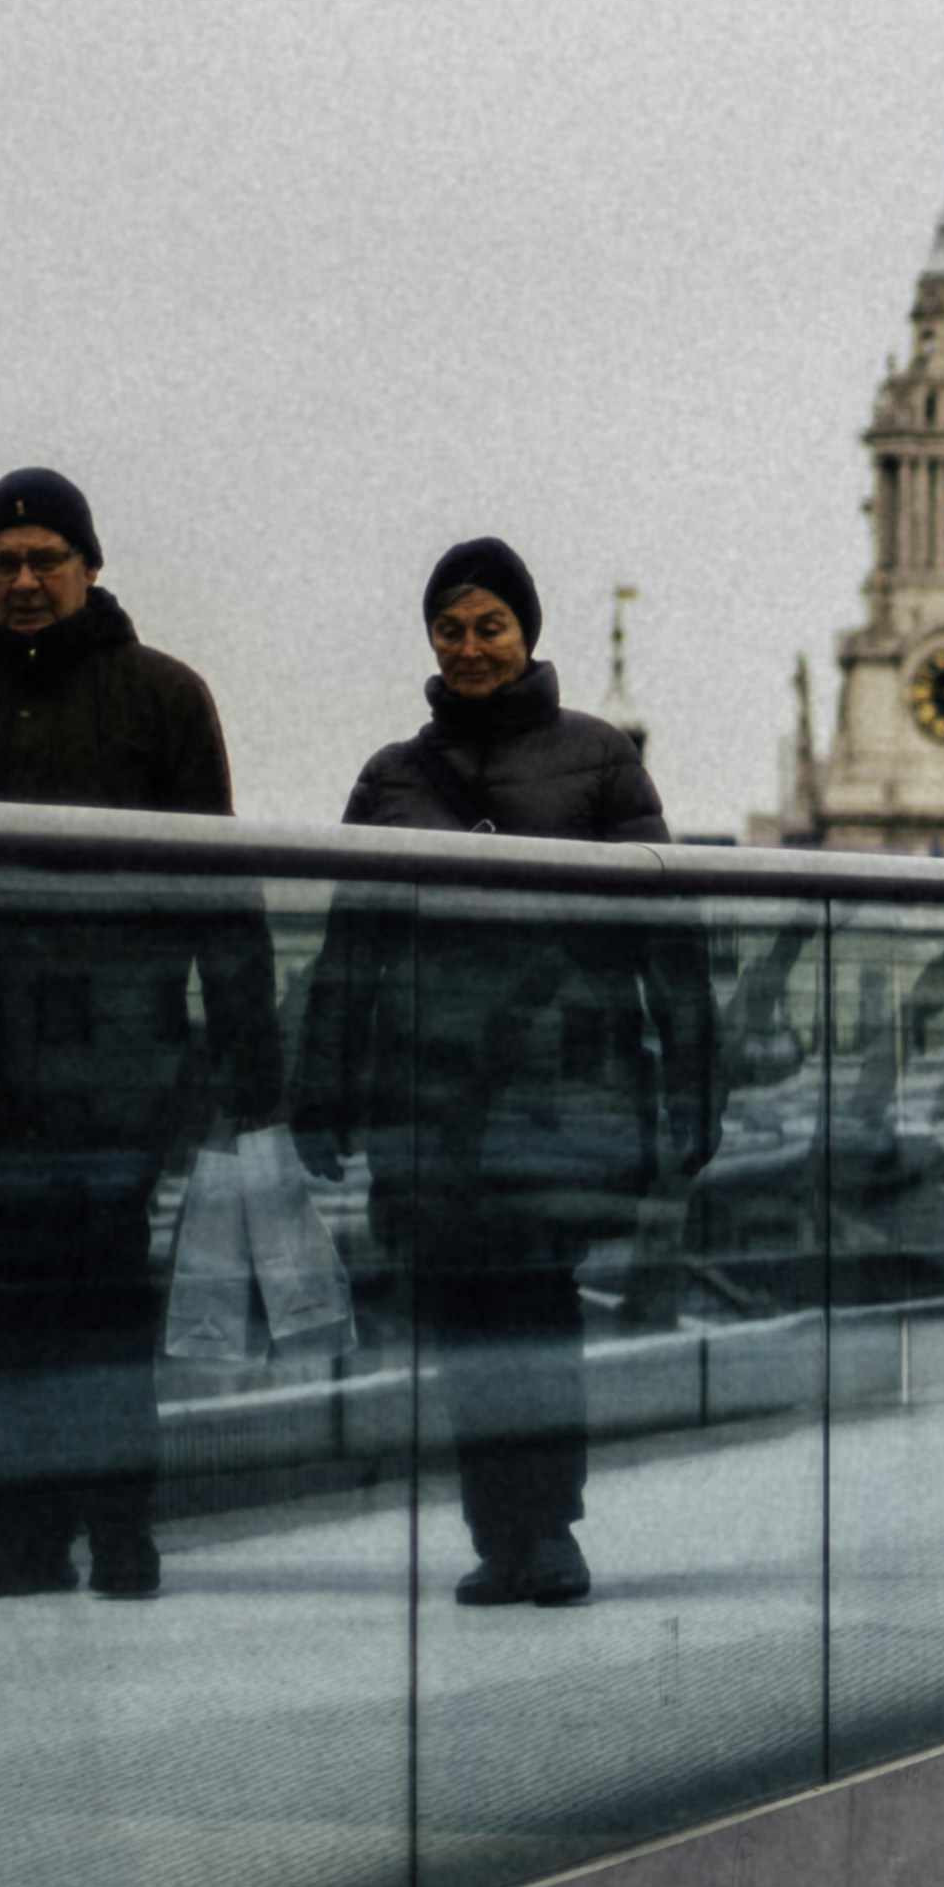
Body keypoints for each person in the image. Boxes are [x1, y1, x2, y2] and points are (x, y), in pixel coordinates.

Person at [0, 466, 273, 1598]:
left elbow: (218, 884)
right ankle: (35, 1536)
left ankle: (119, 1527)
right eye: (6, 562)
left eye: (48, 559)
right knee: (7, 1311)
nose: (28, 579)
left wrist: (252, 1057)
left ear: (91, 566)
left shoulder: (164, 699)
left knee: (97, 1305)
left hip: (122, 1075)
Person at [299, 537, 716, 1610]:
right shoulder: (391, 776)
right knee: (463, 1321)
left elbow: (667, 935)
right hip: (430, 1099)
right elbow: (352, 947)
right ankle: (502, 1536)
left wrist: (693, 1085)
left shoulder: (602, 759)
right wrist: (322, 1090)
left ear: (527, 632)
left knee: (535, 1311)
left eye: (491, 626)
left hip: (555, 1094)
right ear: (431, 638)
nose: (472, 646)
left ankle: (550, 1534)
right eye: (452, 627)